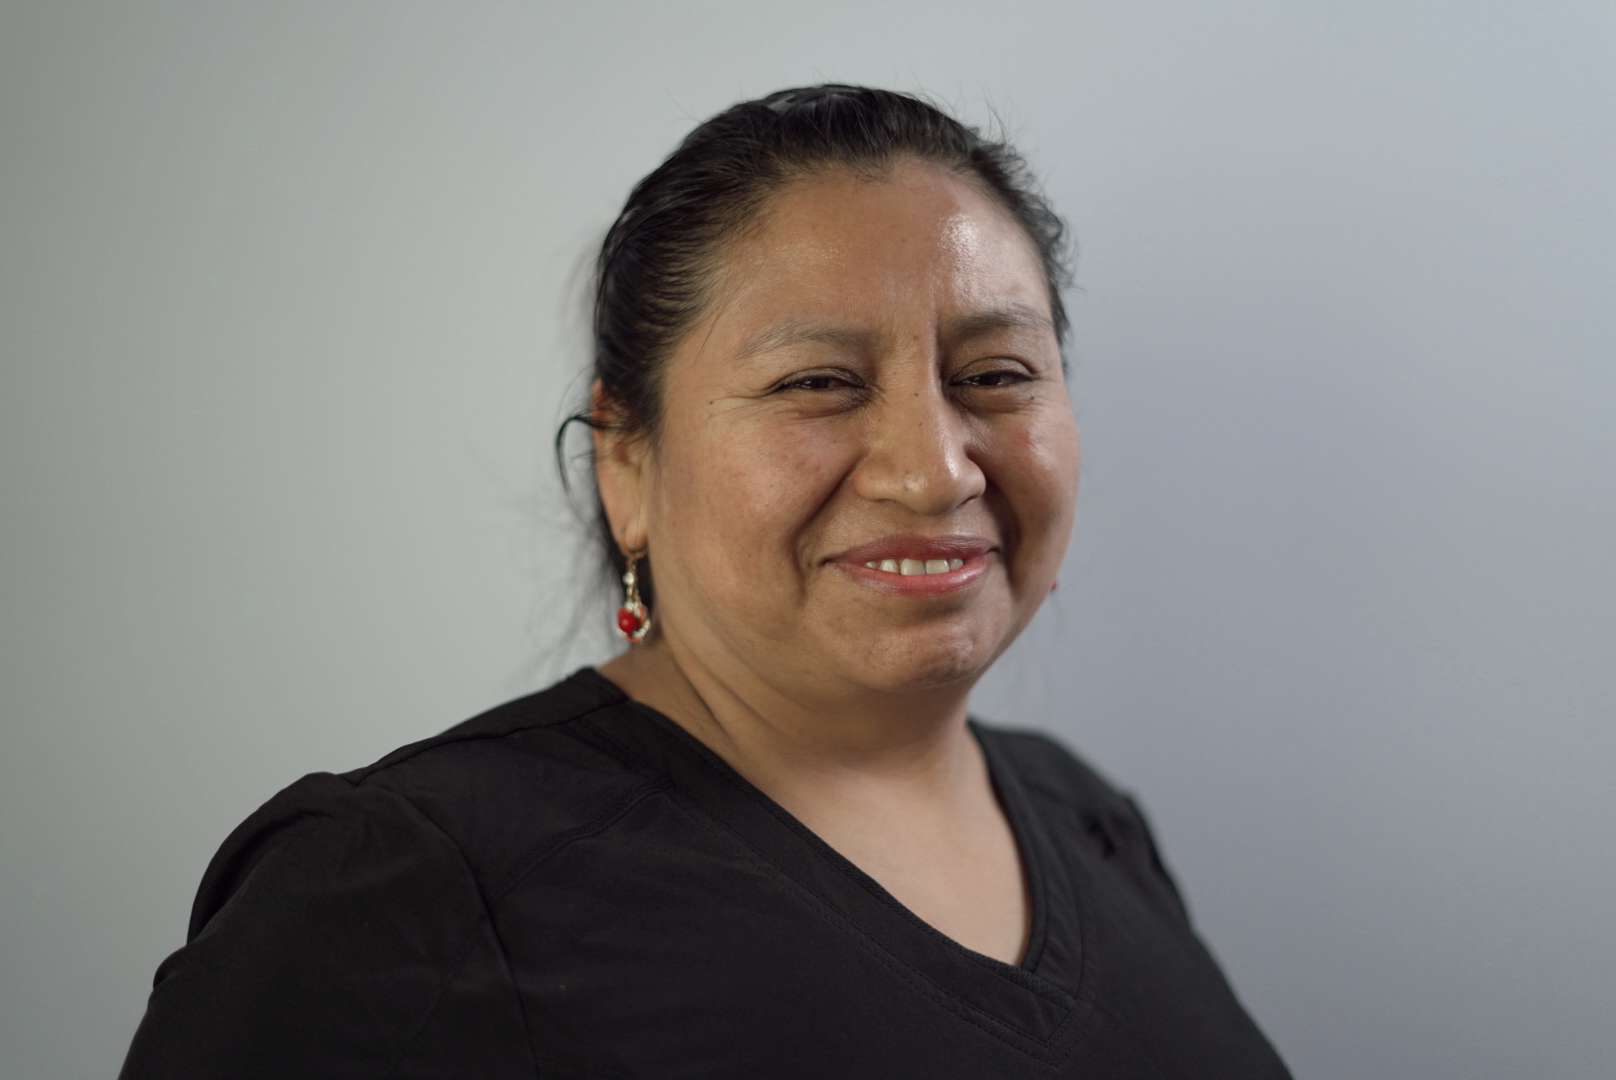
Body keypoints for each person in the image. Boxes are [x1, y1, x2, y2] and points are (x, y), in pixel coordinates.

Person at [120, 85, 1291, 1078]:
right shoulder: (402, 890)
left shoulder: (1087, 818)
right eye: (816, 383)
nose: (935, 471)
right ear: (627, 462)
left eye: (995, 373)